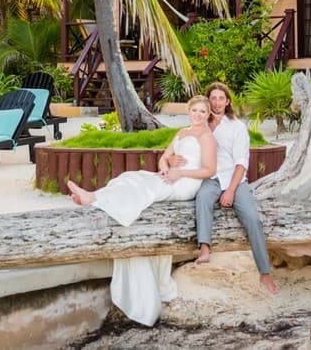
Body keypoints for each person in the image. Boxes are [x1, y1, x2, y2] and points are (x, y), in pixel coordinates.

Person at [67, 95, 217, 324]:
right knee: (129, 177)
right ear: (189, 111)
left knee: (138, 184)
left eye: (203, 112)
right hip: (171, 177)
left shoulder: (206, 136)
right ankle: (94, 198)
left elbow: (209, 170)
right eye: (195, 111)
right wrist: (168, 166)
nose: (198, 115)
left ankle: (92, 198)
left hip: (187, 183)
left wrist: (181, 173)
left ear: (208, 115)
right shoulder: (182, 132)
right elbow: (162, 159)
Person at [192, 81, 279, 295]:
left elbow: (242, 162)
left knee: (252, 219)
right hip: (211, 177)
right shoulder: (200, 124)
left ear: (228, 101)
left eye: (221, 98)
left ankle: (265, 274)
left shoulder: (237, 127)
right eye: (213, 98)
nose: (217, 102)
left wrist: (230, 190)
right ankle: (204, 248)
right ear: (208, 100)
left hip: (235, 179)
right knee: (202, 198)